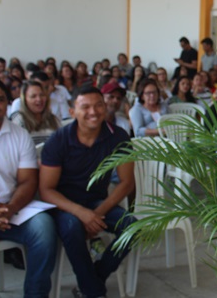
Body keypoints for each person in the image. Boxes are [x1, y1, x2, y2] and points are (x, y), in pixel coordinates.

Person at [39, 86, 135, 298]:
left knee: (132, 226)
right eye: (85, 107)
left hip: (97, 202)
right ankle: (94, 291)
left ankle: (94, 279)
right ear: (72, 111)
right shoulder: (59, 140)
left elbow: (126, 183)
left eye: (98, 105)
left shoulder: (117, 136)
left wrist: (97, 213)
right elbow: (46, 190)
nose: (94, 111)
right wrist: (82, 214)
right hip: (64, 205)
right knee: (73, 227)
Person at [0, 78, 57, 297]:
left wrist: (9, 209)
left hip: (13, 208)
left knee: (44, 229)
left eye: (0, 100)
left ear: (8, 104)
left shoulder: (19, 135)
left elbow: (28, 181)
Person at [11, 80, 61, 146]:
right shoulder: (19, 119)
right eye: (33, 96)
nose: (39, 99)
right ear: (24, 100)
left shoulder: (53, 119)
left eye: (42, 95)